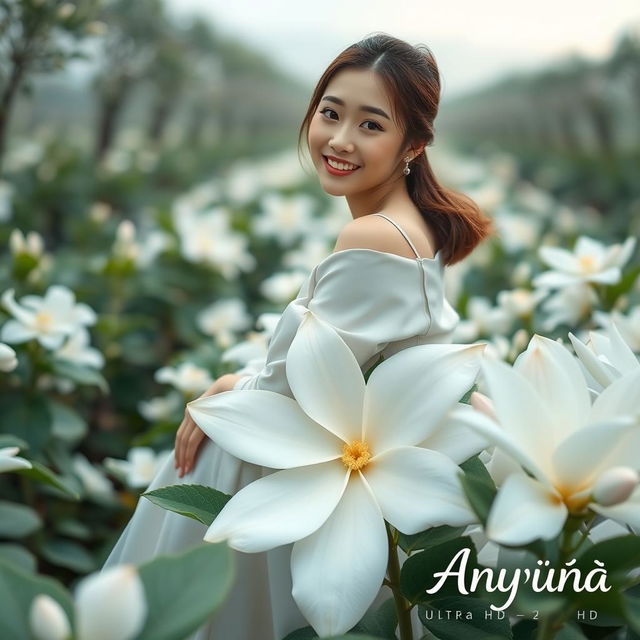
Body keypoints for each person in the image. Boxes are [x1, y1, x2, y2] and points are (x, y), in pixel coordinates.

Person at [102, 32, 494, 639]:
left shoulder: (376, 236)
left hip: (296, 471)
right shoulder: (408, 226)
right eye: (330, 113)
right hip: (332, 468)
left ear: (413, 144)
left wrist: (232, 387)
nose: (338, 140)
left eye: (370, 125)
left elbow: (291, 391)